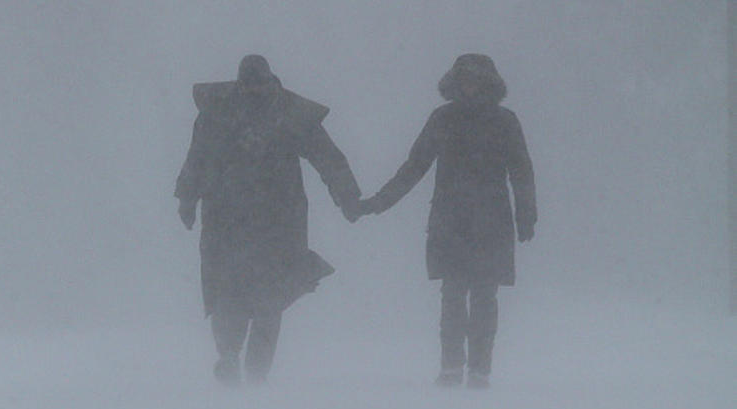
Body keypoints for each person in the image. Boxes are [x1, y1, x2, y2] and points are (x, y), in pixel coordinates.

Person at [175, 55, 362, 385]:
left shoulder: (278, 113)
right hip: (239, 219)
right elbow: (198, 157)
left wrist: (347, 195)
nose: (255, 91)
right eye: (250, 86)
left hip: (270, 220)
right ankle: (232, 358)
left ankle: (254, 371)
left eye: (259, 85)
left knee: (262, 297)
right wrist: (187, 198)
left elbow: (329, 159)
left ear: (271, 81)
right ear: (241, 84)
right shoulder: (223, 113)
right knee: (233, 294)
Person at [354, 54, 536, 388]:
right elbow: (415, 166)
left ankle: (479, 370)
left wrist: (527, 214)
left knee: (483, 298)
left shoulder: (501, 121)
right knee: (453, 296)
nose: (471, 85)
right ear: (456, 82)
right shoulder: (446, 119)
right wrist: (380, 202)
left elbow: (521, 171)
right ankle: (452, 367)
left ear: (488, 83)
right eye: (466, 79)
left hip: (486, 222)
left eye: (477, 80)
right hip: (455, 222)